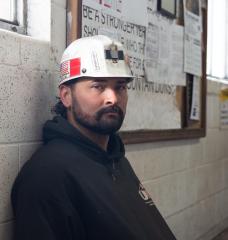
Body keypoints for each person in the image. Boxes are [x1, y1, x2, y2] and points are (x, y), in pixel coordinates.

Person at [11, 35, 176, 240]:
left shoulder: (114, 157)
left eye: (120, 87)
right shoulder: (47, 176)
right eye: (98, 86)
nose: (113, 98)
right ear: (66, 96)